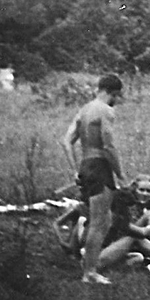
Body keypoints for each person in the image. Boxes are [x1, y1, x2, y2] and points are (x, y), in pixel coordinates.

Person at [61, 74, 125, 285]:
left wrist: (74, 169)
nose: (117, 100)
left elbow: (67, 141)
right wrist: (120, 173)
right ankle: (89, 272)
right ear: (113, 92)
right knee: (99, 222)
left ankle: (88, 264)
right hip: (100, 166)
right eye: (117, 96)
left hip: (86, 165)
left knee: (103, 219)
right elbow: (108, 145)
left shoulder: (84, 110)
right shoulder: (106, 110)